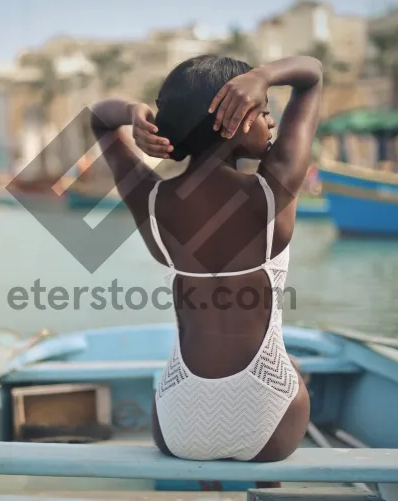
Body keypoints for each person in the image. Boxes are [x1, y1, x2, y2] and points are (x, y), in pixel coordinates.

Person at [89, 54, 323, 462]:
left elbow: (98, 119)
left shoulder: (150, 199)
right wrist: (263, 76)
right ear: (232, 121)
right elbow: (312, 77)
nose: (270, 123)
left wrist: (131, 112)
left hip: (177, 423)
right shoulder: (272, 191)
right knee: (295, 370)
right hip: (269, 426)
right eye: (264, 111)